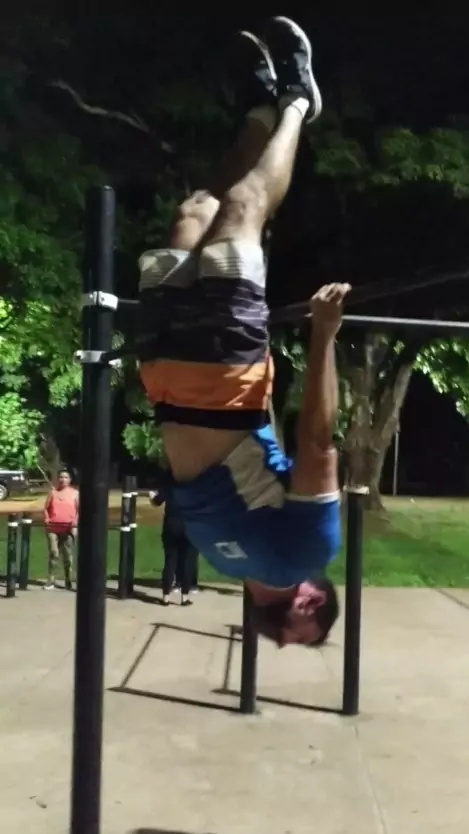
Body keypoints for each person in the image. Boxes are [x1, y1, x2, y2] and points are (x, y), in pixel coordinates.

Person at [136, 17, 347, 648]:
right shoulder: (308, 552)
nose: (289, 635)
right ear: (313, 599)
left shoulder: (228, 565)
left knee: (192, 214)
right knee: (240, 213)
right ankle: (299, 103)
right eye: (311, 628)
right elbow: (317, 446)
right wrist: (324, 335)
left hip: (166, 381)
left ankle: (258, 111)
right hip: (225, 382)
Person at [149, 483, 199, 606]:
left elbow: (156, 502)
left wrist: (151, 496)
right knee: (187, 562)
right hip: (189, 526)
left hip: (171, 525)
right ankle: (184, 597)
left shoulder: (169, 485)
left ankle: (166, 597)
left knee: (170, 561)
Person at [43, 469, 79, 590]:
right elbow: (45, 508)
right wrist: (47, 518)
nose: (63, 479)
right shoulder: (53, 493)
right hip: (53, 528)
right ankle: (51, 579)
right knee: (54, 553)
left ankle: (68, 579)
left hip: (68, 528)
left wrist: (75, 523)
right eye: (61, 477)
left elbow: (79, 510)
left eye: (66, 477)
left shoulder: (75, 493)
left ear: (70, 480)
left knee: (67, 555)